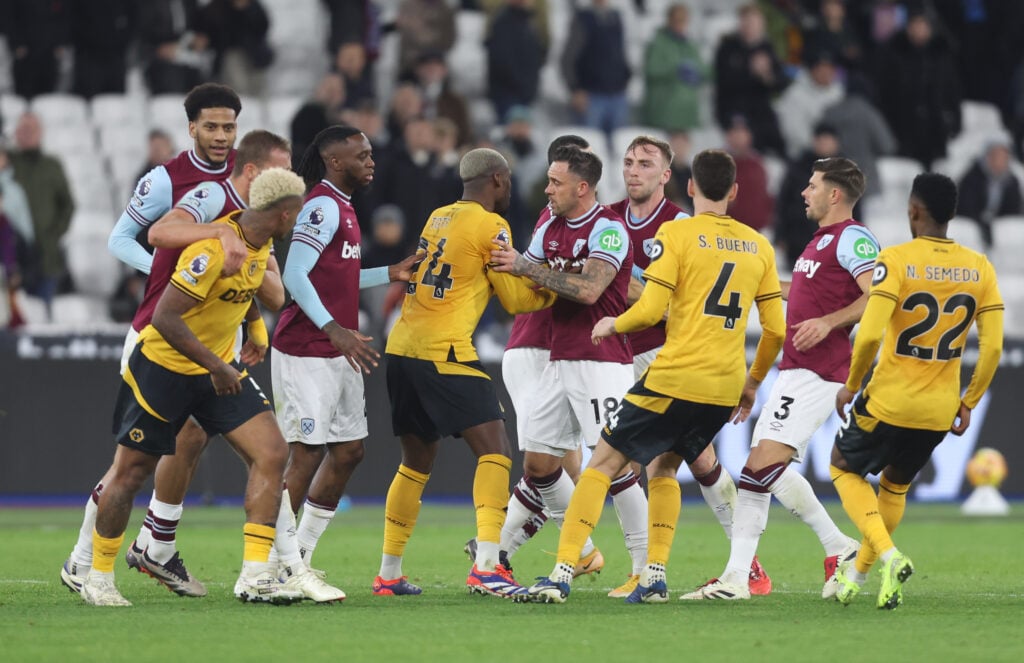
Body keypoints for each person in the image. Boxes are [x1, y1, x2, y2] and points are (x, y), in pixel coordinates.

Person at [522, 149, 785, 604]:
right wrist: (753, 383)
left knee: (601, 464)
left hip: (673, 374)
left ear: (686, 185)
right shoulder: (760, 244)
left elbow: (651, 308)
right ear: (735, 191)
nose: (633, 171)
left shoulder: (677, 232)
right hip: (724, 384)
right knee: (666, 467)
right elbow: (776, 329)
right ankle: (655, 577)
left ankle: (562, 573)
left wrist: (613, 323)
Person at [78, 168, 307, 607]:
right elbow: (165, 317)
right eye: (295, 213)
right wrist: (218, 366)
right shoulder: (211, 248)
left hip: (214, 369)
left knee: (272, 452)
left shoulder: (256, 244)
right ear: (282, 213)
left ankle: (256, 576)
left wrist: (255, 326)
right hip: (163, 368)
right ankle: (98, 575)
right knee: (131, 473)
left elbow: (263, 296)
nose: (297, 220)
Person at [61, 83, 243, 596]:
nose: (221, 136)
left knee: (191, 439)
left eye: (229, 126)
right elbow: (121, 238)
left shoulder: (241, 180)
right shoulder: (167, 179)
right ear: (191, 128)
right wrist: (162, 274)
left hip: (215, 334)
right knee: (135, 457)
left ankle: (156, 545)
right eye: (210, 126)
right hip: (158, 331)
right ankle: (83, 559)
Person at [682, 157, 875, 601]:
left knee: (758, 469)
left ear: (834, 194)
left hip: (820, 372)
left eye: (812, 186)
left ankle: (742, 577)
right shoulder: (819, 243)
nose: (804, 193)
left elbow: (878, 294)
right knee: (763, 470)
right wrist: (758, 283)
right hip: (794, 369)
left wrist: (829, 323)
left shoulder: (853, 238)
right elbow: (802, 291)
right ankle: (832, 548)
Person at [375, 147, 555, 599]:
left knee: (415, 461)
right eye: (508, 180)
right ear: (496, 179)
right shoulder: (492, 225)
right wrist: (555, 292)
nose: (510, 187)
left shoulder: (438, 216)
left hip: (401, 347)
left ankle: (389, 573)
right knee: (496, 448)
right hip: (444, 350)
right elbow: (515, 301)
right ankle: (489, 565)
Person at [830, 173, 1004, 610]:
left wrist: (852, 384)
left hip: (889, 398)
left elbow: (869, 335)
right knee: (894, 488)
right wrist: (969, 401)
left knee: (842, 467)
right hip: (939, 409)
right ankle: (859, 577)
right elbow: (994, 347)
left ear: (913, 210)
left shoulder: (897, 259)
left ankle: (888, 555)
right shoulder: (979, 266)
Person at [611, 135, 771, 597]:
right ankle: (644, 567)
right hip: (617, 352)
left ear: (669, 177)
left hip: (669, 353)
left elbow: (679, 299)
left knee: (684, 459)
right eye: (628, 162)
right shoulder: (607, 221)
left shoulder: (683, 225)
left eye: (645, 163)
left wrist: (619, 291)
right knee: (619, 459)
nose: (634, 170)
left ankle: (745, 565)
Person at [488, 147, 649, 596]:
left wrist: (524, 265)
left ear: (582, 187)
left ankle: (645, 570)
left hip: (601, 363)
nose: (547, 189)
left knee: (614, 466)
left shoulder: (609, 230)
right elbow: (528, 279)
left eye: (555, 182)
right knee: (540, 463)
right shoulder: (550, 226)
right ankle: (580, 550)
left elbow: (589, 288)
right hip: (557, 357)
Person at [271, 125, 417, 578]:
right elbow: (295, 276)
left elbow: (336, 277)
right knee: (306, 453)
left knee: (349, 450)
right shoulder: (320, 207)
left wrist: (389, 272)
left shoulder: (345, 208)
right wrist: (334, 327)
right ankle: (277, 563)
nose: (371, 161)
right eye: (363, 155)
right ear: (335, 161)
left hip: (337, 350)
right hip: (307, 349)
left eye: (372, 154)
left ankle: (303, 555)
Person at [8, 113, 75, 319]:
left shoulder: (52, 165)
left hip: (46, 255)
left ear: (41, 133)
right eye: (23, 130)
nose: (27, 134)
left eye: (32, 130)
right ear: (16, 134)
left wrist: (54, 233)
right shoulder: (7, 163)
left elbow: (68, 205)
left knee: (43, 315)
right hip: (12, 254)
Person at [641, 3, 710, 134]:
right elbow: (652, 70)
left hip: (687, 113)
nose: (680, 25)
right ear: (669, 20)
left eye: (683, 20)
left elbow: (703, 70)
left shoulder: (690, 44)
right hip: (665, 113)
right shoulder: (658, 42)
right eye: (677, 20)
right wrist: (676, 70)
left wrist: (699, 73)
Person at [956, 139, 1023, 247]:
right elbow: (965, 208)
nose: (1001, 161)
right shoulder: (971, 177)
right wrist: (984, 225)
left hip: (999, 231)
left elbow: (1014, 210)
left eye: (1005, 158)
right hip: (968, 228)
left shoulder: (1012, 181)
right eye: (997, 156)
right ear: (988, 157)